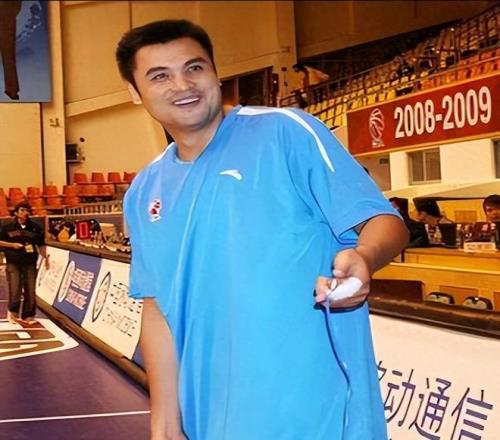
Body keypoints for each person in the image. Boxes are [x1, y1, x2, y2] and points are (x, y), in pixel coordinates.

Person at [116, 19, 408, 440]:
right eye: (160, 76)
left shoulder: (285, 132)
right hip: (209, 416)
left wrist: (365, 256)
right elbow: (158, 308)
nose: (183, 85)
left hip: (311, 414)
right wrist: (164, 424)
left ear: (215, 72)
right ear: (134, 91)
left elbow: (385, 222)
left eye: (194, 68)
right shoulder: (145, 190)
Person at [0, 202, 47, 325]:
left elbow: (41, 244)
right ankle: (13, 313)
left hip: (30, 261)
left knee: (30, 289)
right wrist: (12, 245)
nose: (25, 213)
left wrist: (46, 258)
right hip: (13, 261)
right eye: (22, 210)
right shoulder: (7, 227)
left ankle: (29, 315)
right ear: (16, 213)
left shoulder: (35, 227)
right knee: (15, 288)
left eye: (27, 210)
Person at [0, 1, 22, 100]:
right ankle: (12, 90)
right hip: (7, 14)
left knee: (9, 57)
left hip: (6, 15)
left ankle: (12, 89)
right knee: (9, 57)